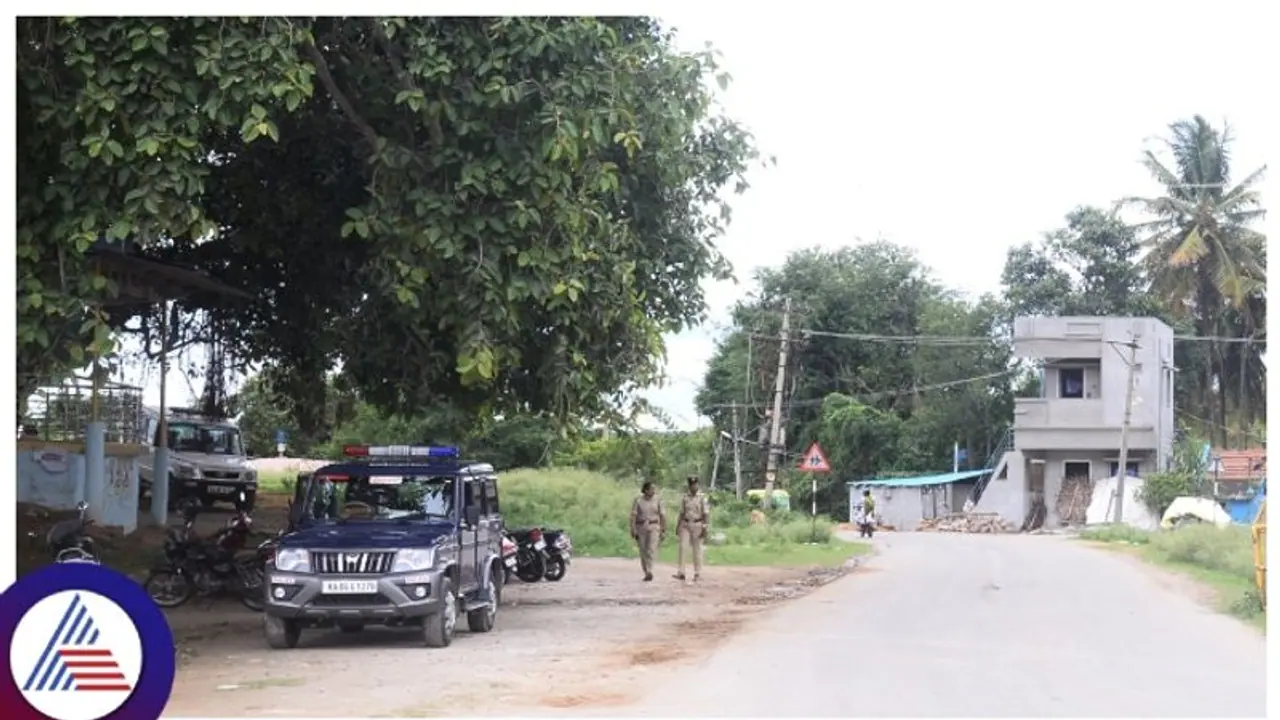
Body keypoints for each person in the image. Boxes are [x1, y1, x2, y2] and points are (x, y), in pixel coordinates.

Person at [674, 475, 710, 582]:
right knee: (682, 547)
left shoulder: (702, 497)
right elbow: (681, 513)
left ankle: (698, 573)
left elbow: (706, 514)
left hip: (697, 524)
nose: (693, 486)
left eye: (695, 484)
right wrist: (678, 526)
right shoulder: (685, 497)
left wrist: (705, 527)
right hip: (685, 524)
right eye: (691, 485)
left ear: (698, 485)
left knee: (697, 549)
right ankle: (681, 572)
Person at [630, 481, 666, 581]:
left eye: (654, 489)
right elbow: (633, 515)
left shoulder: (658, 500)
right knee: (643, 550)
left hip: (654, 526)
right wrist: (632, 528)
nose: (653, 491)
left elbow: (663, 515)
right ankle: (646, 571)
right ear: (645, 490)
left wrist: (663, 530)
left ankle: (650, 570)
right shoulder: (638, 500)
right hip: (641, 526)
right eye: (651, 489)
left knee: (651, 548)